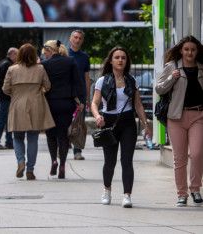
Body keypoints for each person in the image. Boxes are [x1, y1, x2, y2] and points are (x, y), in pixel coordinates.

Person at [91, 46, 151, 208]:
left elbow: (138, 105)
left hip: (127, 123)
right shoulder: (102, 80)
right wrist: (97, 116)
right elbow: (95, 103)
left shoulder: (132, 80)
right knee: (109, 162)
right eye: (117, 57)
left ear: (126, 61)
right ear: (111, 61)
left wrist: (146, 124)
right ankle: (107, 190)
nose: (120, 60)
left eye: (123, 58)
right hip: (108, 122)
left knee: (127, 160)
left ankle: (127, 195)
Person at [155, 35, 203, 207]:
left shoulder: (202, 69)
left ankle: (195, 189)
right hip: (176, 117)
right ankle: (182, 194)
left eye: (193, 49)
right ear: (181, 51)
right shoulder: (172, 67)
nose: (190, 52)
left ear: (197, 51)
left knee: (197, 154)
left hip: (198, 115)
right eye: (187, 49)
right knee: (179, 158)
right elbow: (159, 89)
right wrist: (172, 78)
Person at [3, 43, 55, 180]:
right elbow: (47, 86)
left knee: (18, 136)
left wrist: (15, 93)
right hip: (36, 105)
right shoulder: (40, 69)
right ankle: (30, 170)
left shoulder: (12, 69)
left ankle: (20, 161)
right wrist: (39, 91)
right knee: (33, 138)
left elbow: (5, 89)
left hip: (17, 104)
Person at [41, 40, 84, 179]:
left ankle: (54, 160)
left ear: (50, 50)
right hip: (66, 103)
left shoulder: (44, 64)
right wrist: (81, 101)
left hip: (49, 104)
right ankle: (63, 165)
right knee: (64, 136)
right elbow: (78, 82)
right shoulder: (70, 61)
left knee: (50, 134)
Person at [68, 30, 91, 160]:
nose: (77, 40)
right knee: (65, 122)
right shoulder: (64, 54)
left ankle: (77, 151)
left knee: (78, 123)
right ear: (71, 38)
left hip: (80, 95)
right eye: (75, 37)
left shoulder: (85, 57)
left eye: (80, 38)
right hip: (66, 94)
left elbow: (87, 78)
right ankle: (63, 147)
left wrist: (88, 97)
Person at [0, 47, 18, 150]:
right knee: (3, 119)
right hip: (6, 96)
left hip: (4, 96)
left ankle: (9, 142)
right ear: (13, 55)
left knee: (7, 120)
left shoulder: (3, 63)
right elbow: (8, 82)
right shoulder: (7, 65)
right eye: (17, 55)